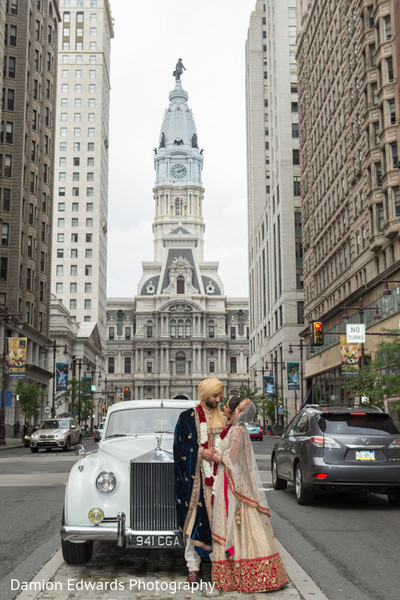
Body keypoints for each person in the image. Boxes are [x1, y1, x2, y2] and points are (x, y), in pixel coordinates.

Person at [211, 396, 288, 593]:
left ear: (235, 411)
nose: (224, 408)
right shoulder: (237, 429)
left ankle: (250, 574)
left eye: (227, 406)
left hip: (234, 483)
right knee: (236, 523)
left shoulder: (237, 431)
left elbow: (232, 459)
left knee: (237, 521)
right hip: (230, 480)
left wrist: (213, 456)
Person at [173, 378, 226, 584]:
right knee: (193, 522)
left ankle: (218, 565)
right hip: (196, 481)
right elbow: (179, 448)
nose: (218, 398)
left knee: (219, 523)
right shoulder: (187, 418)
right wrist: (201, 452)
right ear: (205, 396)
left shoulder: (222, 417)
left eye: (219, 394)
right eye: (215, 395)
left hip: (220, 478)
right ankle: (193, 568)